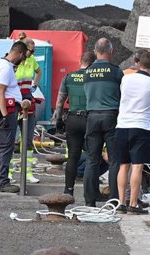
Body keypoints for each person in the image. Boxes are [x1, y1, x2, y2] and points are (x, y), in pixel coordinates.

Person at [116, 50, 150, 214]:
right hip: (141, 127)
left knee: (123, 166)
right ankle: (133, 203)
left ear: (138, 63)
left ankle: (120, 202)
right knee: (137, 166)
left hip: (122, 125)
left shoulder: (125, 78)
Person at [82, 38, 123, 206]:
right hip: (111, 117)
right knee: (114, 160)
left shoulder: (87, 72)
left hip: (91, 117)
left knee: (92, 160)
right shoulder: (116, 72)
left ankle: (90, 200)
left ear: (95, 51)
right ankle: (113, 200)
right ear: (111, 51)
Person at [53, 50, 99, 197]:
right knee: (93, 157)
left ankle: (68, 190)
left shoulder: (69, 77)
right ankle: (91, 192)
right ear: (92, 64)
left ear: (80, 62)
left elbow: (59, 102)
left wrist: (58, 120)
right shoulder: (94, 79)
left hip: (72, 119)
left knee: (73, 156)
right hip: (89, 119)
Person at [0, 41, 27, 193]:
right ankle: (2, 182)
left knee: (3, 146)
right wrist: (5, 115)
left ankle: (1, 179)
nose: (23, 60)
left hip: (5, 110)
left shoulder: (2, 66)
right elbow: (0, 92)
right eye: (23, 56)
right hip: (7, 111)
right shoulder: (6, 68)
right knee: (5, 147)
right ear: (19, 53)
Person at [13, 32, 41, 183]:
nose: (32, 54)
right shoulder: (13, 61)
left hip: (27, 102)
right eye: (31, 51)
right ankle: (8, 173)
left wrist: (34, 86)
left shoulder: (32, 60)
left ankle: (28, 172)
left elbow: (38, 72)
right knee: (12, 141)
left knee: (28, 140)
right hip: (14, 103)